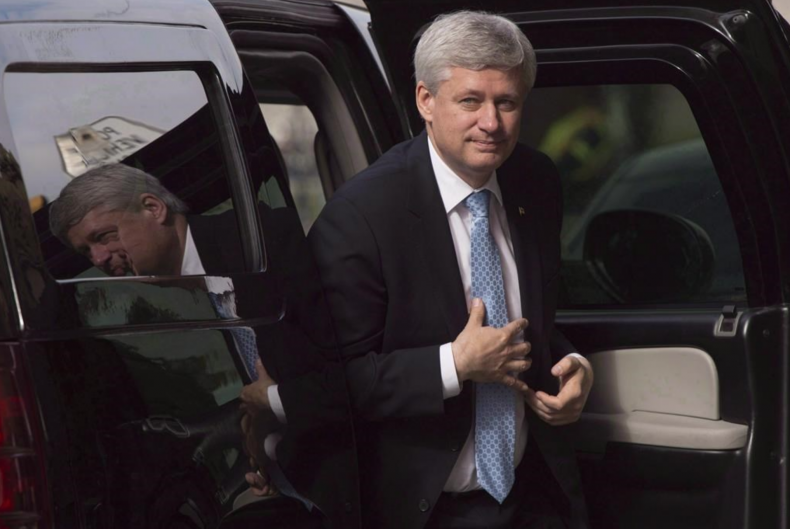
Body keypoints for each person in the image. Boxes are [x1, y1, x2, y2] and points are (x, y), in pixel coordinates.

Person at [308, 11, 593, 529]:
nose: (492, 122)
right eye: (470, 101)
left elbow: (537, 315)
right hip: (425, 508)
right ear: (425, 101)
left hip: (533, 494)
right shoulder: (362, 215)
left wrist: (574, 363)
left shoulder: (534, 179)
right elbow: (328, 385)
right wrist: (453, 365)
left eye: (506, 102)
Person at [48, 163, 357, 529]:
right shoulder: (209, 280)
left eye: (103, 236)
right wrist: (274, 460)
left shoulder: (258, 244)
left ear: (153, 208)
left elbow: (349, 374)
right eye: (87, 252)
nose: (98, 259)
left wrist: (271, 408)